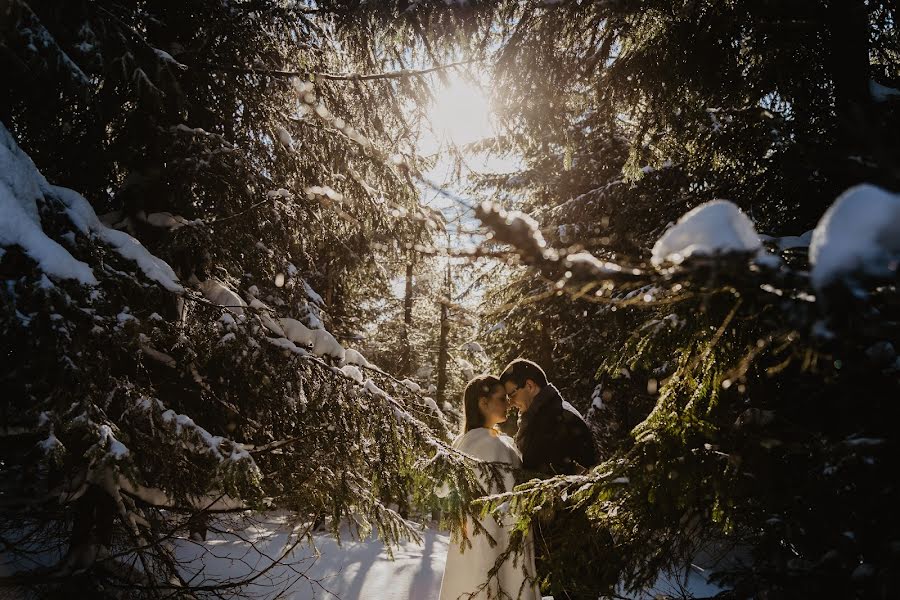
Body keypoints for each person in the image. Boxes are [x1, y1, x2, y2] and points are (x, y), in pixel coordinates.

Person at [500, 359, 598, 600]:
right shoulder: (541, 417)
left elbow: (582, 475)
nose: (509, 403)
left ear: (530, 385)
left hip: (571, 541)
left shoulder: (558, 417)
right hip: (555, 537)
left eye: (511, 395)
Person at [439, 375, 541, 600]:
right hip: (491, 540)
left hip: (483, 542)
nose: (508, 404)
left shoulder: (479, 441)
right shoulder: (486, 444)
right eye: (501, 399)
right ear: (483, 403)